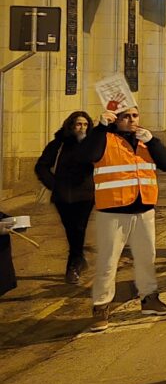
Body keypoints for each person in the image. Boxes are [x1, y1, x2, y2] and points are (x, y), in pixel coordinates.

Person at [74, 105, 166, 331]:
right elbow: (86, 156)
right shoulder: (104, 139)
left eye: (134, 115)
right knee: (108, 262)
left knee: (146, 258)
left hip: (144, 208)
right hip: (113, 211)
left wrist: (153, 141)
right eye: (125, 117)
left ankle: (149, 298)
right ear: (115, 120)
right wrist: (99, 128)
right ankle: (101, 306)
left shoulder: (144, 141)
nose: (131, 120)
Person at [35, 111, 95, 284]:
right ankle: (79, 259)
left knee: (79, 227)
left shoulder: (92, 145)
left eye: (85, 124)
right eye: (78, 124)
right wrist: (54, 184)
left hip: (85, 194)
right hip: (63, 196)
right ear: (70, 126)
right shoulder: (59, 144)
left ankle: (73, 266)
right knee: (71, 228)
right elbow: (41, 166)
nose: (81, 128)